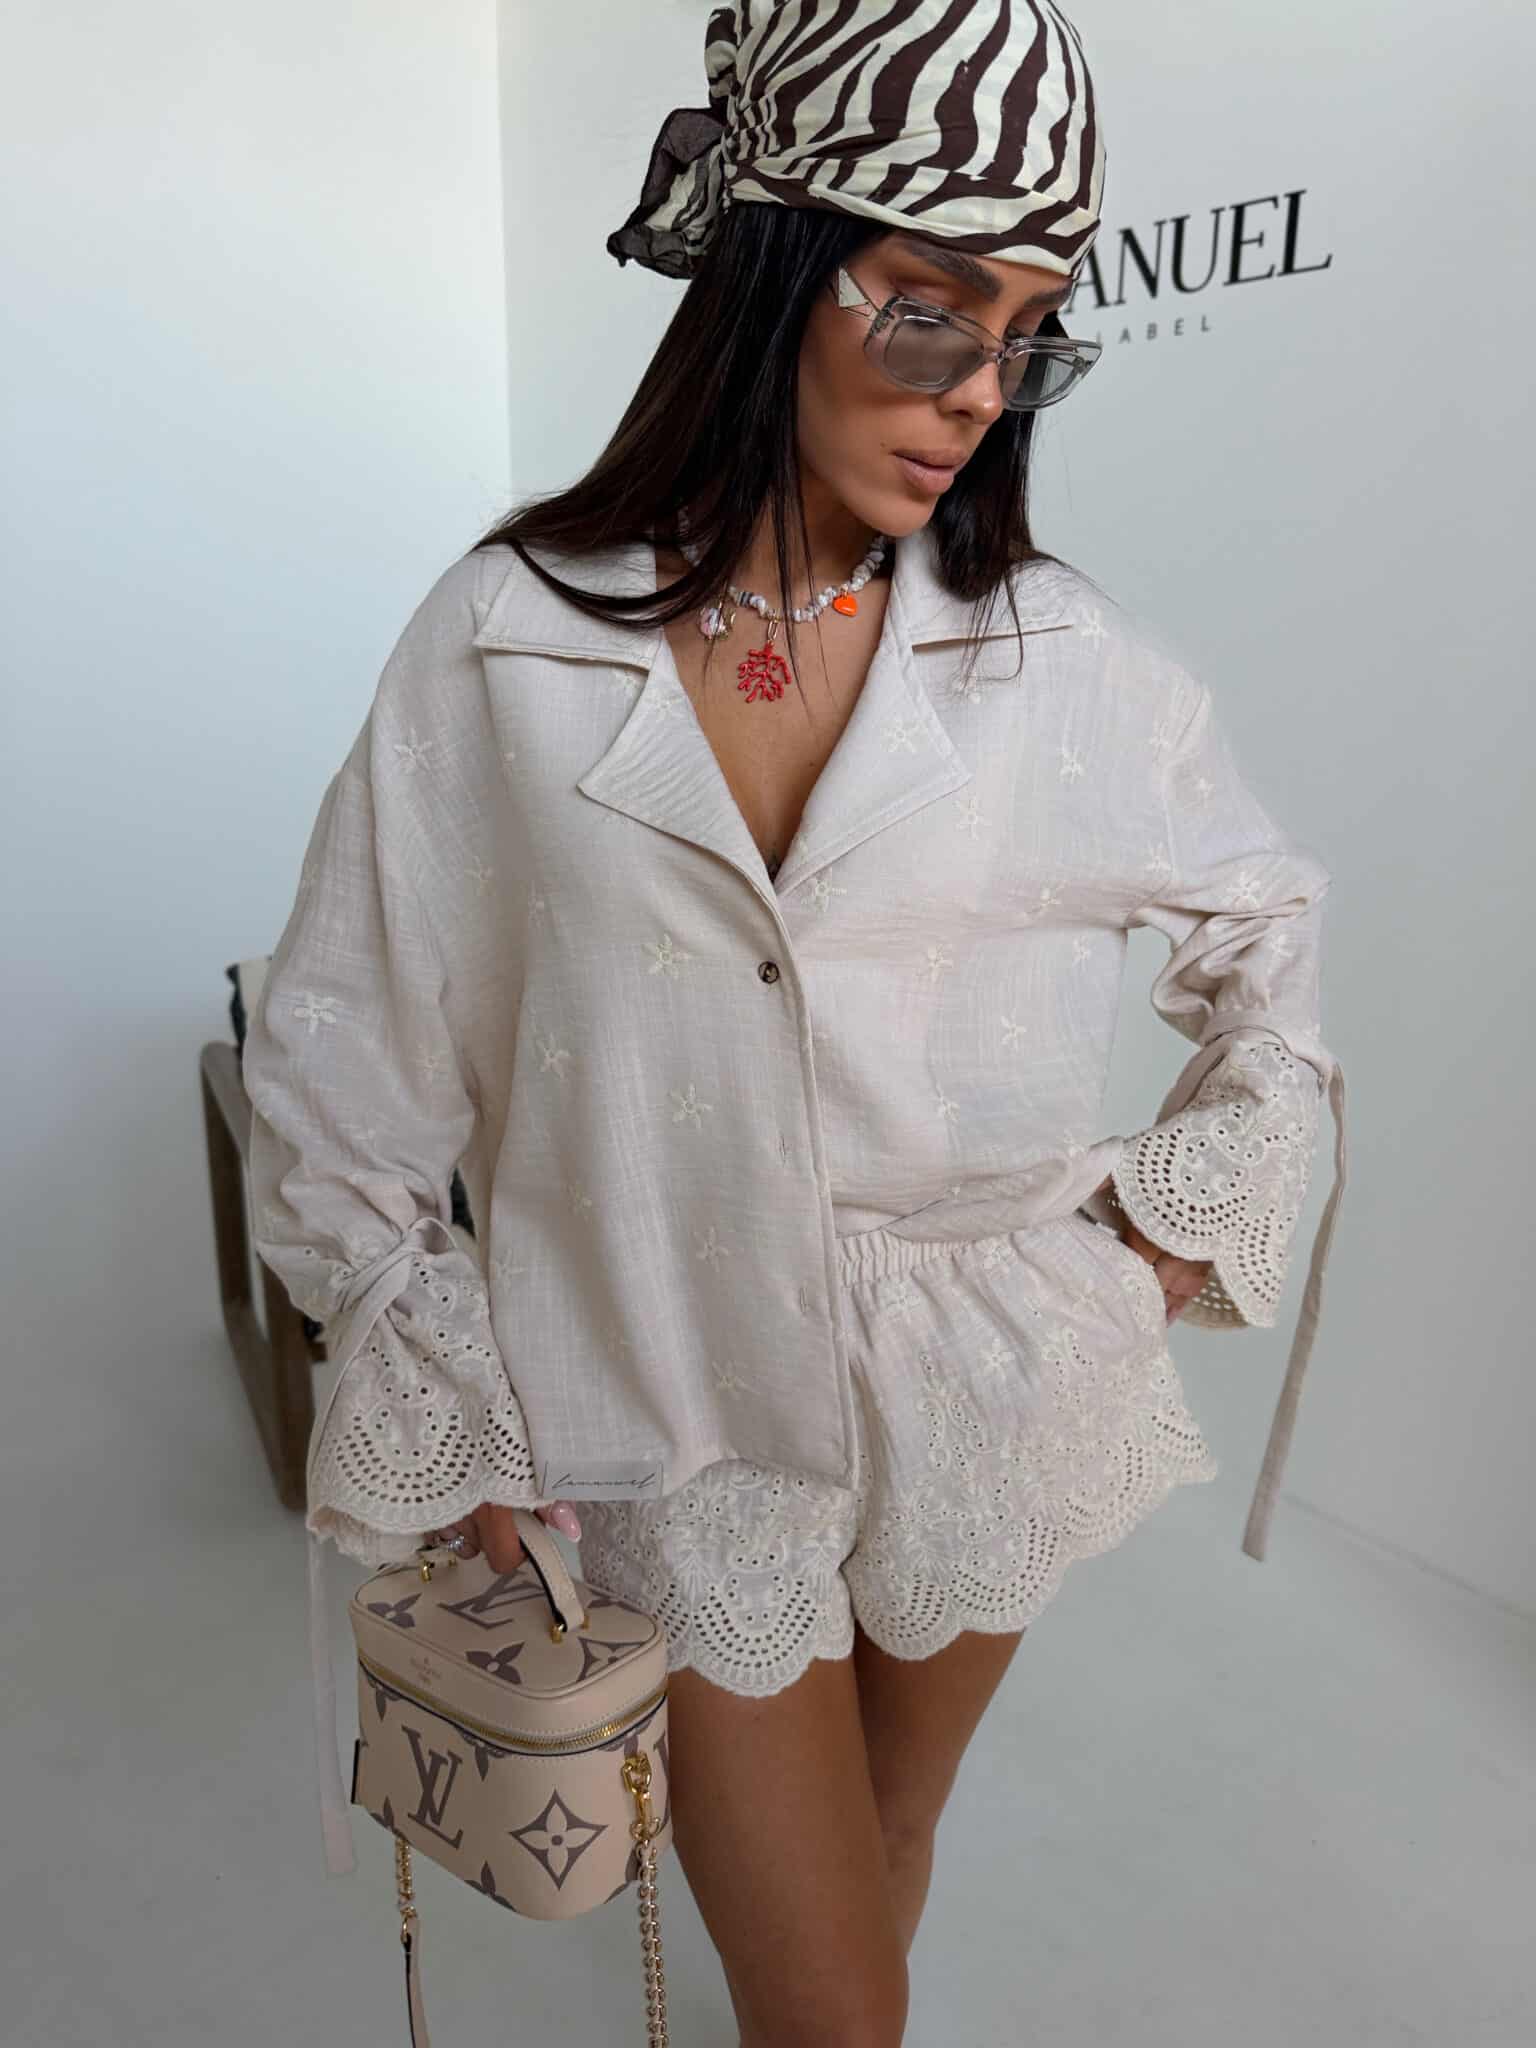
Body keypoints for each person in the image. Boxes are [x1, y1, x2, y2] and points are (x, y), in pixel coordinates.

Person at [242, 4, 1346, 2040]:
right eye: (933, 313)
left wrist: (1159, 1240)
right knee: (827, 1996)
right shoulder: (507, 640)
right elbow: (337, 1045)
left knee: (892, 1839)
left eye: (1029, 337)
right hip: (663, 1394)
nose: (979, 393)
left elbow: (1265, 921)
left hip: (986, 1375)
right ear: (772, 266)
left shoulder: (1057, 657)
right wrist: (445, 1371)